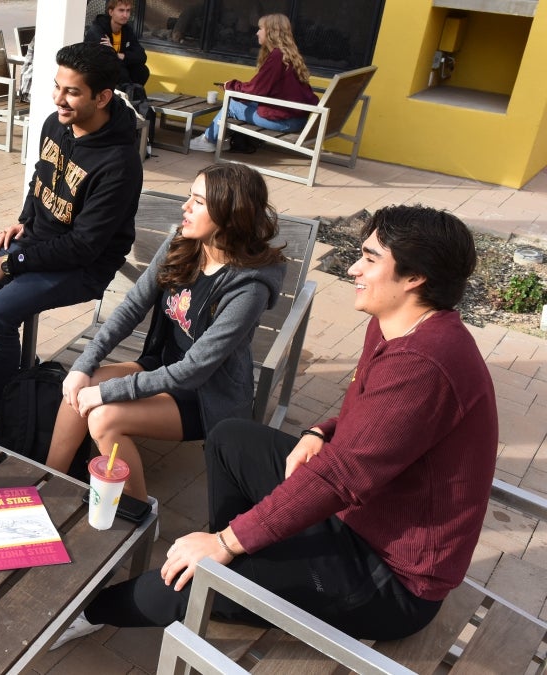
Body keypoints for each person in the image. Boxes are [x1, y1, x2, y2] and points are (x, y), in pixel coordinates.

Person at [53, 205, 498, 648]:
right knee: (230, 437)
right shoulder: (397, 325)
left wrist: (227, 542)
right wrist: (320, 432)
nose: (353, 268)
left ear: (414, 276)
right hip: (358, 516)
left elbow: (340, 480)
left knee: (193, 577)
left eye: (369, 258)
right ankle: (242, 570)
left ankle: (82, 613)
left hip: (390, 578)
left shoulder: (425, 364)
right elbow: (376, 418)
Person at [46, 164, 286, 501]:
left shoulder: (248, 288)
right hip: (160, 368)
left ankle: (138, 513)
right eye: (189, 196)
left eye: (198, 201)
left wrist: (108, 392)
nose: (185, 206)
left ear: (231, 215)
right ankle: (48, 483)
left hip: (205, 396)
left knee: (103, 418)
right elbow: (132, 307)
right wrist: (85, 364)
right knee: (80, 386)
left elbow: (195, 370)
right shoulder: (183, 243)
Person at [0, 42, 142, 439]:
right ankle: (16, 369)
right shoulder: (55, 123)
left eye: (72, 91)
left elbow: (84, 246)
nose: (58, 99)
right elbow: (41, 177)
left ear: (102, 97)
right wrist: (24, 221)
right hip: (34, 242)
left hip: (82, 267)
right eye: (56, 86)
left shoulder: (119, 163)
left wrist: (9, 265)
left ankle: (1, 409)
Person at [191, 13, 318, 153]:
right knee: (242, 102)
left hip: (285, 121)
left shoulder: (277, 57)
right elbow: (261, 88)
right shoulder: (289, 55)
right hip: (296, 118)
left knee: (232, 105)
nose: (257, 33)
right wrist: (235, 87)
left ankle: (209, 140)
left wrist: (230, 86)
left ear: (271, 32)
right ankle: (222, 140)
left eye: (260, 28)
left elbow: (256, 90)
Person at [85, 0, 150, 92]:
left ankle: (131, 96)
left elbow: (142, 56)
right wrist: (114, 54)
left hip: (118, 68)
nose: (125, 15)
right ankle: (125, 96)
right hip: (95, 73)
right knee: (120, 71)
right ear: (111, 12)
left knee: (142, 71)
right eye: (121, 10)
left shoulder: (127, 30)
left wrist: (119, 55)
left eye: (128, 11)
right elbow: (105, 57)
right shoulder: (98, 29)